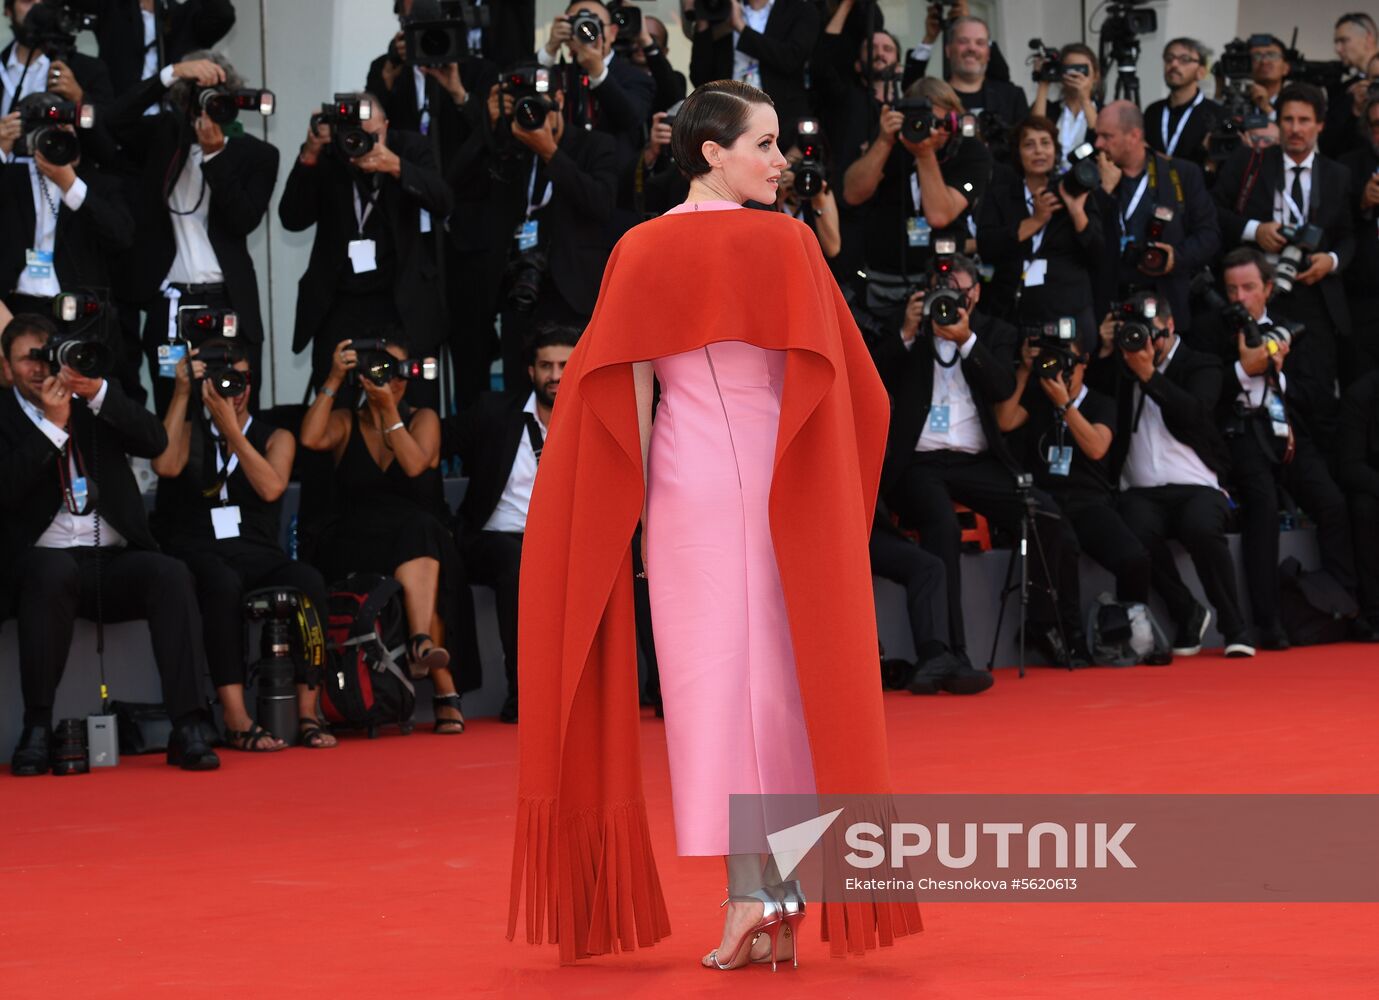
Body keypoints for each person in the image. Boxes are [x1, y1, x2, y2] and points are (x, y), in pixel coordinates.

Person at [507, 80, 921, 968]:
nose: (782, 162)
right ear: (710, 153)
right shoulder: (788, 245)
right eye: (765, 145)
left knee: (713, 698)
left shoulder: (643, 249)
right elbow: (856, 391)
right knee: (777, 687)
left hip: (690, 490)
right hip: (782, 490)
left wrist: (636, 512)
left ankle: (751, 896)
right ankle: (774, 889)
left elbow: (632, 396)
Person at [1, 313, 219, 774]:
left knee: (171, 574)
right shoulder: (4, 417)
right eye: (26, 360)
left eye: (47, 355)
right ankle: (37, 727)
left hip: (111, 558)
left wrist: (97, 392)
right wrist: (52, 428)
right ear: (6, 368)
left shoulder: (92, 399)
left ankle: (190, 724)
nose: (40, 368)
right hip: (43, 566)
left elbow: (155, 440)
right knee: (52, 571)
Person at [873, 253, 1087, 668]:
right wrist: (906, 330)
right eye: (943, 290)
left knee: (1046, 514)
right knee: (942, 526)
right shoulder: (909, 327)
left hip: (977, 460)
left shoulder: (994, 332)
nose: (949, 300)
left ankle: (1046, 625)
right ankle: (950, 652)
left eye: (959, 291)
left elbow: (1003, 387)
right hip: (919, 462)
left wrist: (967, 340)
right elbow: (874, 376)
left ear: (976, 293)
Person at [150, 340, 338, 750]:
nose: (229, 388)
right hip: (200, 551)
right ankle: (236, 716)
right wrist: (182, 394)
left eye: (237, 379)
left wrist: (231, 429)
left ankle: (309, 710)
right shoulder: (187, 428)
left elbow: (272, 487)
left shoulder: (276, 435)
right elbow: (164, 465)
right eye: (218, 380)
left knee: (308, 579)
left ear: (250, 386)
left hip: (257, 552)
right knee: (220, 583)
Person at [299, 336, 476, 735]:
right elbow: (310, 438)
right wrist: (332, 377)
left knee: (420, 533)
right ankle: (437, 674)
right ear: (362, 373)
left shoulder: (423, 418)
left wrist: (388, 410)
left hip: (414, 539)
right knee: (420, 543)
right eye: (379, 367)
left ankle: (420, 642)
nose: (389, 378)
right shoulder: (346, 421)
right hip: (355, 539)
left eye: (397, 369)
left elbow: (416, 465)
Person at [101, 52, 279, 414]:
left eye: (218, 96)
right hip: (170, 303)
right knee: (175, 417)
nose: (210, 105)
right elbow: (113, 119)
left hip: (228, 301)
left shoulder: (258, 155)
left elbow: (242, 221)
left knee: (235, 413)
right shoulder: (163, 139)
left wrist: (216, 156)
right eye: (201, 96)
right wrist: (171, 73)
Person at [1204, 248, 1359, 649]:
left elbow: (1318, 395)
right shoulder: (1212, 333)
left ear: (1268, 289)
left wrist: (1276, 371)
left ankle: (1343, 607)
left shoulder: (1294, 331)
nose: (1240, 297)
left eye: (1249, 288)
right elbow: (1202, 396)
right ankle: (1268, 624)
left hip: (1289, 433)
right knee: (1262, 506)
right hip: (1241, 434)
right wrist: (1242, 370)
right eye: (1232, 289)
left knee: (1332, 504)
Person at [1093, 293, 1255, 658]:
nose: (1145, 344)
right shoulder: (1120, 365)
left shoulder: (1202, 364)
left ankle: (1235, 626)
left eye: (1153, 335)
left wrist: (1148, 373)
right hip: (1139, 490)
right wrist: (1104, 349)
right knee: (1132, 534)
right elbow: (1093, 391)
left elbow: (1195, 413)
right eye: (1135, 335)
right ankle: (1186, 612)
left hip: (1197, 484)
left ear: (1170, 326)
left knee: (1200, 527)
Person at [440, 324, 577, 724]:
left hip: (566, 542)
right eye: (546, 365)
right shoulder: (494, 411)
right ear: (530, 370)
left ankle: (640, 693)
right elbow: (433, 443)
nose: (555, 375)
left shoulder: (593, 417)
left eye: (565, 365)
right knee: (514, 559)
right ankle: (525, 698)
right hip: (494, 541)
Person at [278, 90, 453, 402]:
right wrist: (310, 153)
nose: (363, 143)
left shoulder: (408, 147)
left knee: (413, 401)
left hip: (401, 298)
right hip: (341, 299)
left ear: (386, 125)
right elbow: (292, 218)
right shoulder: (332, 154)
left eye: (374, 135)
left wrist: (396, 166)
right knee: (335, 401)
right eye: (357, 136)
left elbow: (443, 201)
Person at [1211, 83, 1355, 447]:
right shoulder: (1251, 162)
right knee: (1258, 386)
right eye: (1288, 119)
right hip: (1261, 296)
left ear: (1320, 125)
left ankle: (1312, 476)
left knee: (1317, 394)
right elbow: (1215, 211)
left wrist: (1331, 260)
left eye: (1304, 120)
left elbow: (1350, 237)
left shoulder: (1338, 174)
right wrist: (1254, 230)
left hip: (1316, 297)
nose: (1295, 128)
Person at [996, 329, 1157, 623]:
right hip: (1046, 502)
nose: (1059, 369)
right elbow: (1004, 421)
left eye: (1066, 361)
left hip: (1089, 502)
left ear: (1083, 363)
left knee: (1134, 558)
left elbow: (1096, 447)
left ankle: (1132, 627)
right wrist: (1025, 369)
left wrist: (1065, 405)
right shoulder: (1037, 397)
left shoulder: (1101, 403)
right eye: (1052, 360)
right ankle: (1068, 635)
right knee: (1064, 545)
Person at [843, 77, 992, 326]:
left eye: (939, 121)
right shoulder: (892, 141)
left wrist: (924, 154)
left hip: (943, 279)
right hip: (882, 281)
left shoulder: (971, 152)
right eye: (923, 120)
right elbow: (852, 194)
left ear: (954, 120)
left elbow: (939, 215)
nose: (931, 129)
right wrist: (883, 141)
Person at [1094, 100, 1221, 340]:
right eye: (1097, 135)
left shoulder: (1182, 174)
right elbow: (1086, 241)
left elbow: (1209, 235)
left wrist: (1175, 257)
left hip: (1168, 302)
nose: (1098, 144)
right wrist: (1103, 194)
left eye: (1106, 136)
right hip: (1114, 306)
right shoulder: (1094, 178)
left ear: (1134, 135)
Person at [976, 114, 1102, 338]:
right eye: (1029, 144)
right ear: (1018, 153)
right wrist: (1035, 221)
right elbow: (987, 247)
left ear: (1055, 150)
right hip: (1011, 312)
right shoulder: (1000, 194)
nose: (1039, 151)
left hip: (1067, 312)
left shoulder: (1075, 191)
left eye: (1045, 143)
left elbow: (1098, 254)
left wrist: (1075, 210)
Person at [688, 0, 820, 151]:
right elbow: (700, 78)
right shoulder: (722, 9)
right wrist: (703, 21)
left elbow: (791, 59)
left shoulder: (800, 9)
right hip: (728, 120)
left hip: (781, 119)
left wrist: (741, 28)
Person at [73, 0, 236, 98]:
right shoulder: (114, 8)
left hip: (172, 125)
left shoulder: (182, 15)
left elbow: (223, 15)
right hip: (122, 116)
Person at [1, 0, 114, 119]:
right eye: (27, 1)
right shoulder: (2, 68)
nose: (37, 9)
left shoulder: (90, 70)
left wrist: (79, 98)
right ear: (8, 10)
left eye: (46, 2)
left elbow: (107, 130)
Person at [1337, 369, 1379, 632]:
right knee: (1365, 509)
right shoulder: (1361, 395)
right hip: (1372, 486)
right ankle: (1374, 611)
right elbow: (1349, 466)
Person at [1340, 95, 1379, 378]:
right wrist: (1362, 204)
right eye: (1377, 124)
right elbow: (1333, 226)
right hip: (1363, 299)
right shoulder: (1347, 167)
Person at [1144, 38, 1223, 170]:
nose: (1174, 64)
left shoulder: (1216, 115)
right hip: (1155, 188)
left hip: (1197, 188)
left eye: (1184, 59)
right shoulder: (1153, 112)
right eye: (1169, 58)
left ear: (1201, 72)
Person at [1031, 43, 1102, 172]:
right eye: (1069, 69)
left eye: (1082, 70)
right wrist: (1044, 81)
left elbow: (1102, 140)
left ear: (1095, 76)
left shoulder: (1105, 113)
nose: (1076, 75)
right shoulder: (1050, 109)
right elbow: (1035, 131)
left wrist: (1085, 99)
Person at [1246, 34, 1290, 122]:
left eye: (1272, 55)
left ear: (1286, 67)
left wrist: (1267, 109)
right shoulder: (1239, 101)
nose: (1264, 61)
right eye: (1256, 56)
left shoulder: (1293, 101)